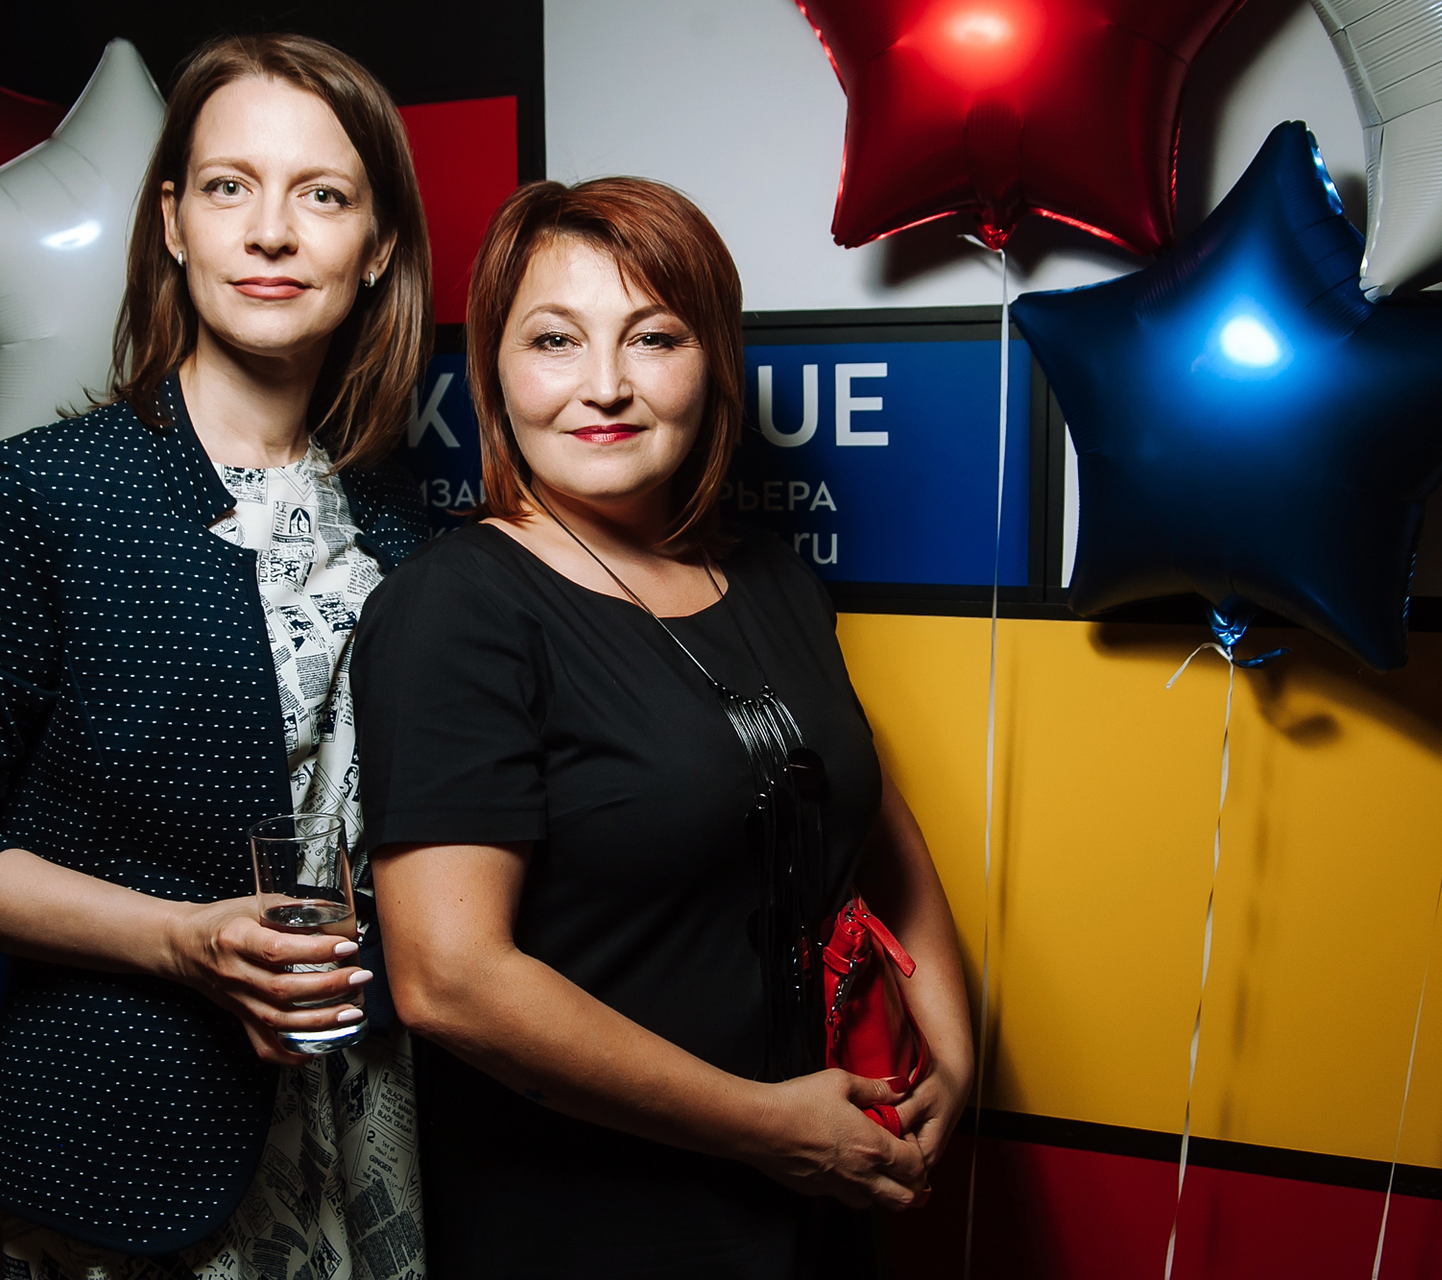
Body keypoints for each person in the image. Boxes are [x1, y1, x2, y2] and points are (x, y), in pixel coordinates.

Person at [0, 33, 433, 1280]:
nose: (270, 232)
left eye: (322, 195)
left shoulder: (401, 522)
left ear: (378, 245)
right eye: (228, 186)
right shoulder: (47, 496)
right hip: (121, 1154)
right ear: (171, 222)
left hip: (371, 1120)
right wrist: (181, 940)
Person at [351, 177, 976, 1278]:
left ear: (712, 361)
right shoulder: (456, 606)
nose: (605, 385)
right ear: (495, 368)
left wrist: (953, 1052)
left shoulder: (772, 578)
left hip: (819, 1196)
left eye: (653, 337)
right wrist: (767, 1125)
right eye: (555, 339)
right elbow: (449, 978)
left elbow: (869, 818)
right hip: (595, 1223)